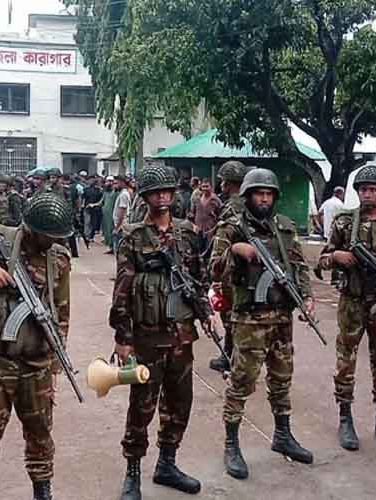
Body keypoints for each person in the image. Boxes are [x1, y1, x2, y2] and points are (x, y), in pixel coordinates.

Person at [0, 193, 73, 500]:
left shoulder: (58, 259)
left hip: (37, 366)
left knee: (40, 435)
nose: (51, 242)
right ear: (31, 228)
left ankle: (42, 491)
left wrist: (55, 365)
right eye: (47, 236)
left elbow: (61, 313)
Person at [110, 165, 211, 500]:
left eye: (168, 191)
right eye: (156, 192)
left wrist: (206, 311)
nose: (163, 197)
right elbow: (122, 289)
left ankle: (167, 463)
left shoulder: (187, 233)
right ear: (146, 197)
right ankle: (132, 471)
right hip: (147, 338)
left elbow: (199, 278)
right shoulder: (133, 235)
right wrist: (122, 337)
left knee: (180, 403)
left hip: (182, 337)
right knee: (141, 405)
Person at [209, 168, 315, 480]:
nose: (265, 198)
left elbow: (298, 264)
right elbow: (213, 268)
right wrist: (235, 251)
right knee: (242, 382)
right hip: (249, 319)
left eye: (269, 194)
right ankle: (231, 444)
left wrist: (306, 297)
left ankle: (283, 435)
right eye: (259, 193)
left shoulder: (284, 227)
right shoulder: (231, 227)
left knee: (282, 379)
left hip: (281, 317)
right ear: (248, 196)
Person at [317, 165, 376, 453]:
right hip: (353, 303)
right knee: (346, 361)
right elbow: (322, 260)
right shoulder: (346, 223)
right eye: (362, 189)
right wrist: (336, 255)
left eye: (372, 189)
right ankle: (345, 419)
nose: (367, 194)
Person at [208, 160, 249, 374]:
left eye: (223, 181)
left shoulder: (233, 207)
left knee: (230, 315)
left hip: (232, 268)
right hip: (247, 269)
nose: (220, 185)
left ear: (228, 183)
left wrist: (215, 273)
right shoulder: (248, 202)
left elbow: (224, 241)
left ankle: (230, 358)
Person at [189, 178, 222, 254]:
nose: (205, 189)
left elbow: (222, 215)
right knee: (198, 251)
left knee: (210, 252)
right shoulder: (197, 199)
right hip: (198, 230)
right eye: (203, 186)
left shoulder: (216, 200)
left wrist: (215, 228)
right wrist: (193, 226)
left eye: (207, 186)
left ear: (211, 187)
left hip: (211, 231)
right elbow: (191, 214)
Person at [112, 176, 134, 253]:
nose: (114, 185)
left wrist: (117, 227)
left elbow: (122, 212)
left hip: (122, 226)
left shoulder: (123, 195)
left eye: (116, 183)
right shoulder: (123, 194)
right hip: (121, 225)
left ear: (122, 183)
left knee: (119, 251)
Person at [82, 176, 104, 242]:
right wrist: (82, 205)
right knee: (87, 222)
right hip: (87, 208)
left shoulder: (99, 190)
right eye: (90, 179)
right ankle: (87, 236)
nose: (92, 181)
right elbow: (83, 198)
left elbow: (101, 200)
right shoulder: (86, 189)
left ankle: (91, 236)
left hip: (96, 209)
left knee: (94, 223)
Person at [101, 176, 119, 254]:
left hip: (113, 215)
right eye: (108, 181)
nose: (109, 183)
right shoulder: (105, 193)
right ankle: (111, 247)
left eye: (111, 181)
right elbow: (101, 202)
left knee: (113, 230)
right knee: (107, 231)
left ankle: (114, 248)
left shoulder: (116, 193)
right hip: (106, 215)